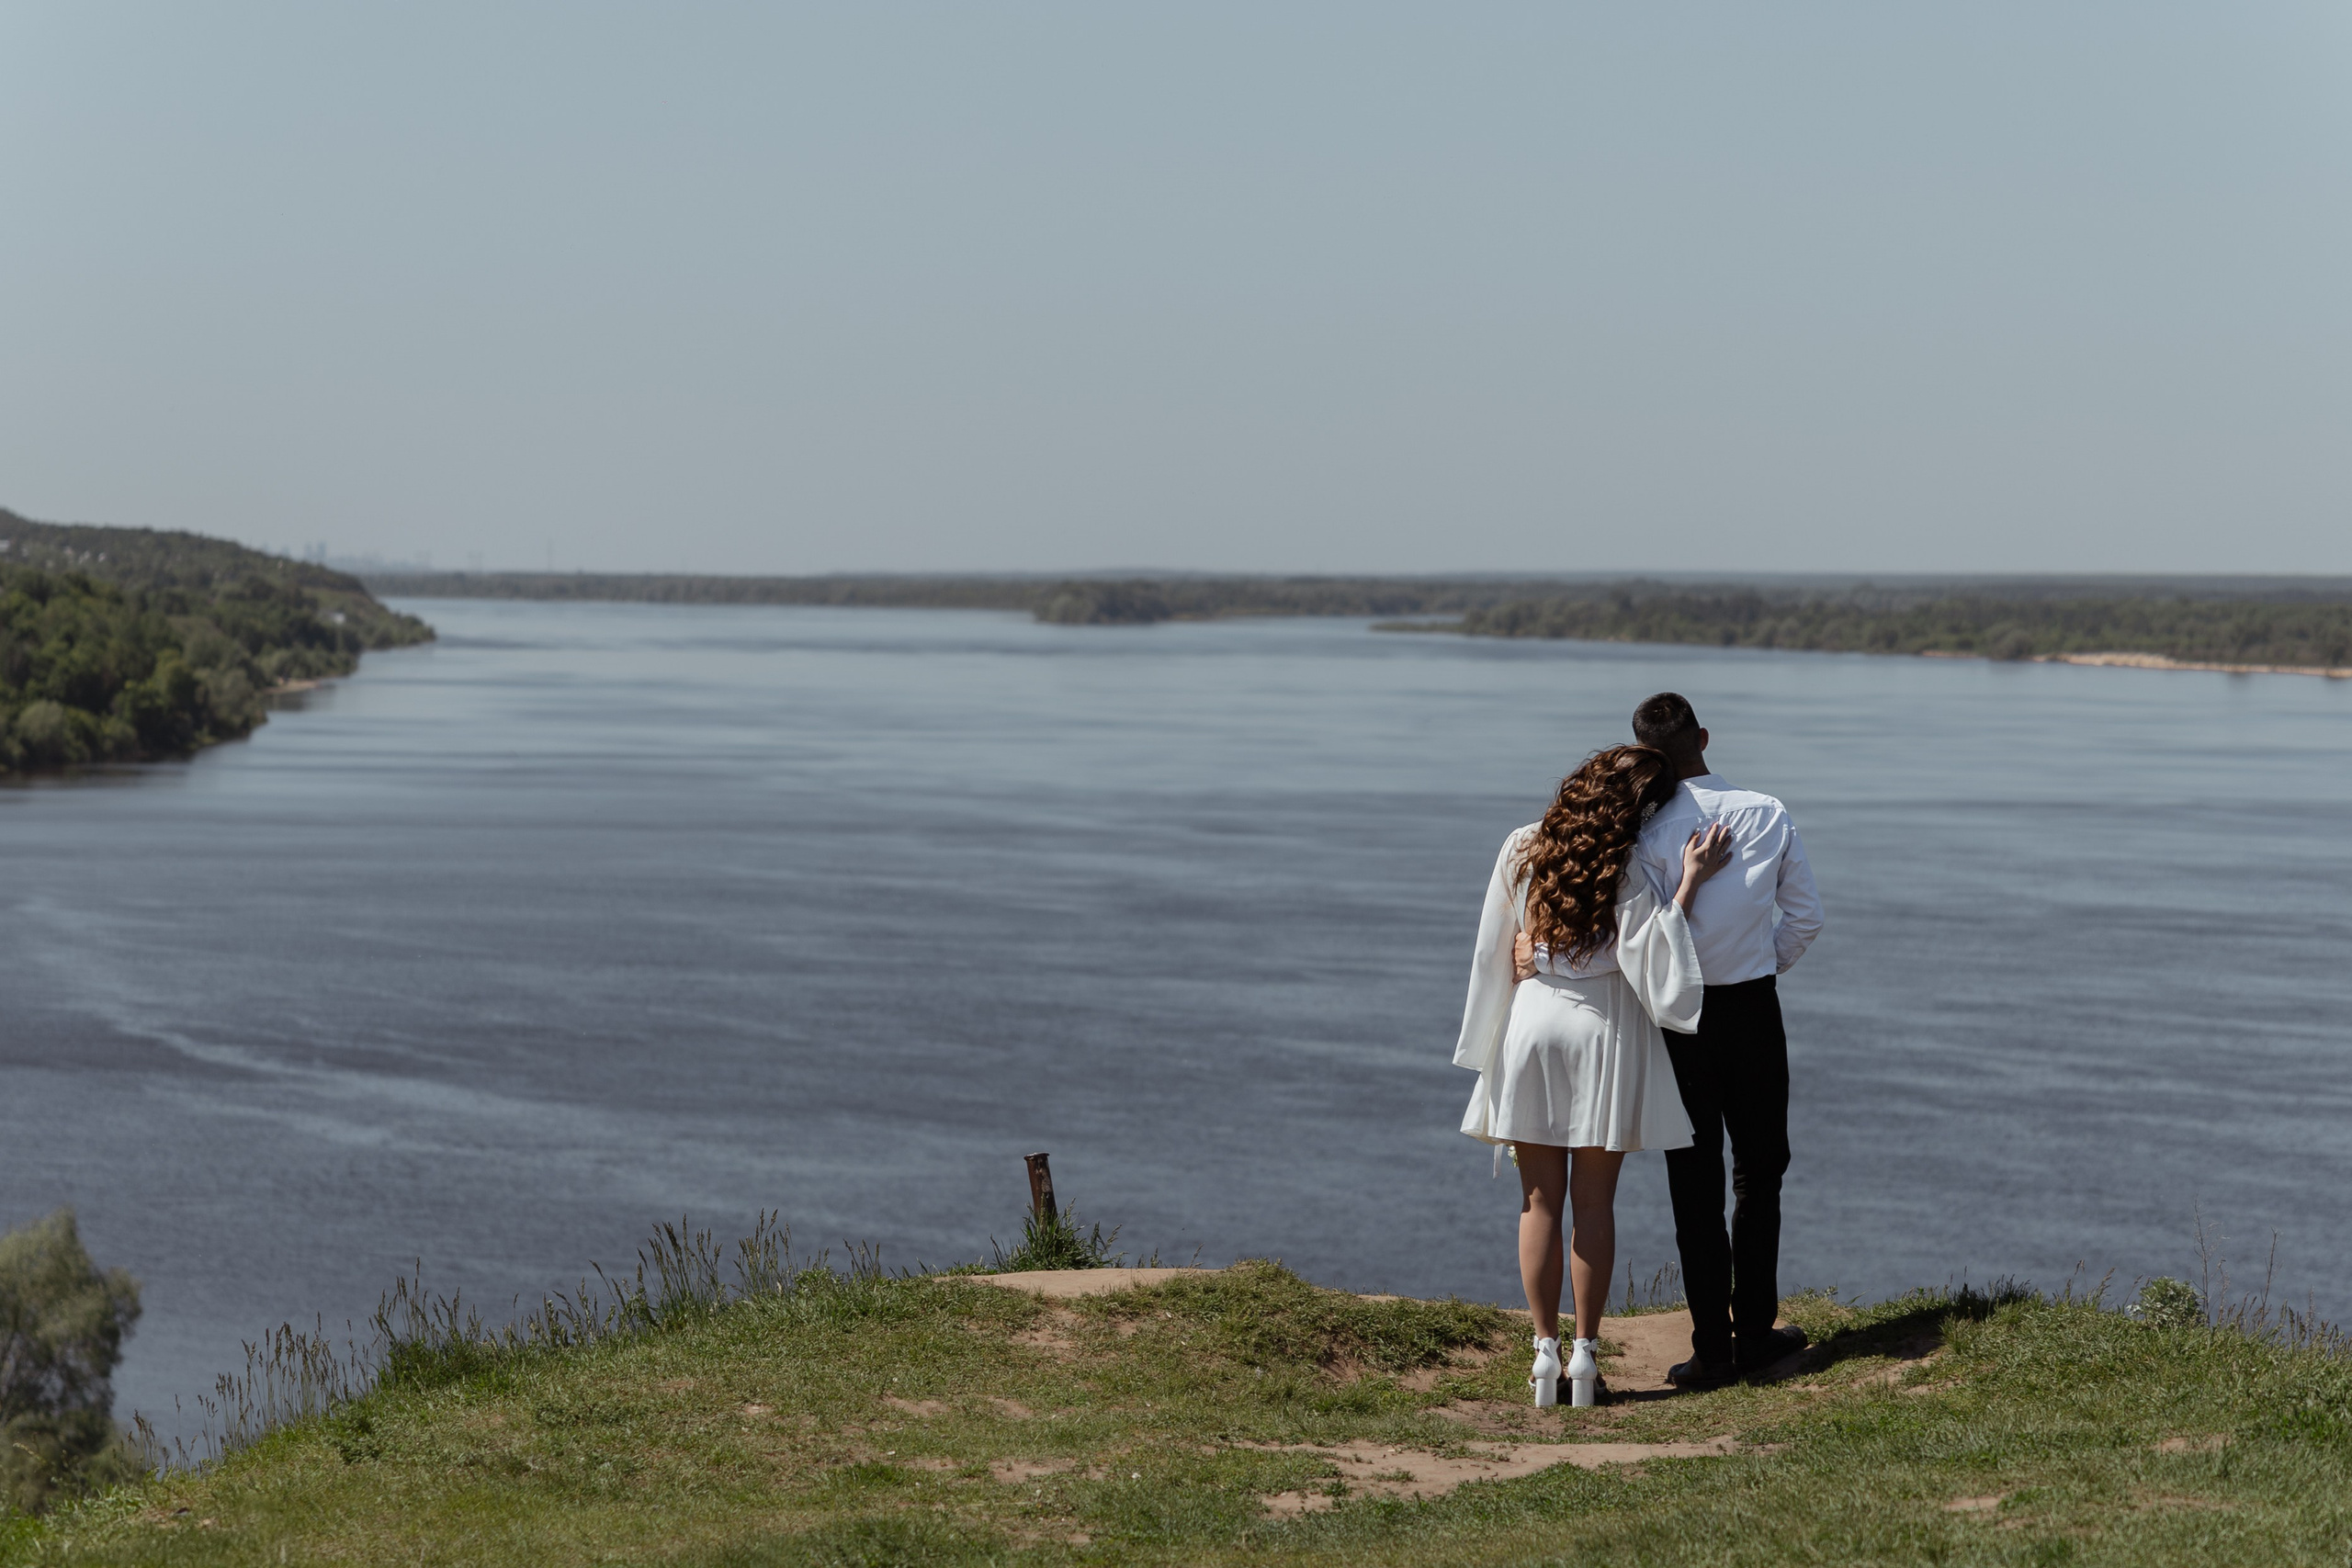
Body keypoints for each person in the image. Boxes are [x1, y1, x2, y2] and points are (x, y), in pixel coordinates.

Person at [1453, 745, 1735, 1407]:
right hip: (1602, 1032)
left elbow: (1492, 949)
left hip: (1532, 1025)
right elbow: (1654, 954)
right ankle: (1586, 1356)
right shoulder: (1629, 863)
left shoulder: (1521, 846)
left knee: (1538, 1202)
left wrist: (1491, 1029)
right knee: (1595, 1206)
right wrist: (1691, 879)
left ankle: (1543, 1355)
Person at [1628, 693, 1825, 1389]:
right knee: (1760, 1170)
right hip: (1752, 1011)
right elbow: (1804, 919)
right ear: (1704, 736)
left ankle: (1711, 1347)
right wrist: (1754, 964)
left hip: (1680, 1022)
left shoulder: (1648, 834)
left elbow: (1648, 942)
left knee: (1694, 1181)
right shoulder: (1767, 810)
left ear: (1649, 756)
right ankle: (1757, 1333)